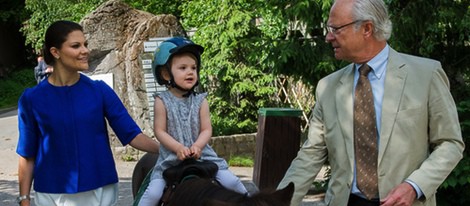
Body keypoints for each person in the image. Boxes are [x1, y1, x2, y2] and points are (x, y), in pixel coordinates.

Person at [277, 0, 465, 206]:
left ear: (367, 28)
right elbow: (311, 154)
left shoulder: (426, 75)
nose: (328, 36)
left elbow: (450, 143)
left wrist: (414, 186)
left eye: (336, 29)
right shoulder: (328, 87)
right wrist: (275, 202)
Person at [16, 20, 159, 206]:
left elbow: (132, 135)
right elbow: (27, 154)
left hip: (101, 191)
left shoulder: (100, 91)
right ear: (55, 52)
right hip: (52, 194)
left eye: (85, 44)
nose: (85, 51)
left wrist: (169, 149)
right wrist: (24, 199)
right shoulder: (31, 99)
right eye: (76, 46)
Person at [137, 37, 248, 205]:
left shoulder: (201, 100)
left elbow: (206, 130)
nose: (190, 72)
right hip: (171, 159)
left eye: (193, 68)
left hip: (203, 157)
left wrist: (198, 146)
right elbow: (160, 131)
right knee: (152, 194)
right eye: (183, 68)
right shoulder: (161, 100)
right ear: (166, 74)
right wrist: (178, 148)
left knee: (233, 183)